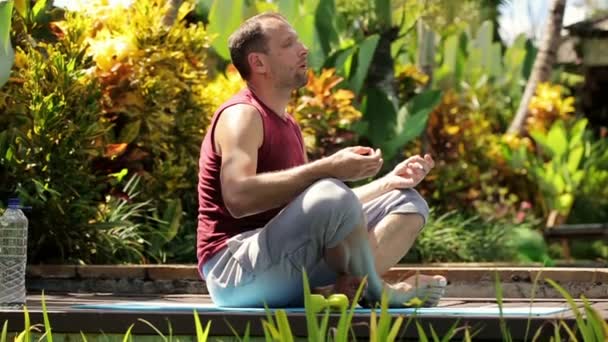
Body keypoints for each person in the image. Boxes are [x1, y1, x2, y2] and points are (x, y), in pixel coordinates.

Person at [197, 11, 447, 308]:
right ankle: (378, 291)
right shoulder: (242, 116)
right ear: (259, 62)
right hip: (233, 272)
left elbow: (326, 210)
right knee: (330, 189)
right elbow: (237, 197)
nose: (304, 49)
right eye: (289, 44)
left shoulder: (289, 125)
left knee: (406, 201)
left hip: (280, 260)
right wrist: (327, 168)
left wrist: (388, 183)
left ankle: (339, 288)